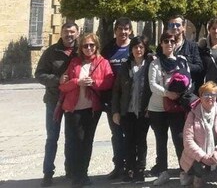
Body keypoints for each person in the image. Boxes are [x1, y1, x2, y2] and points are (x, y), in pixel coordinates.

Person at [59, 32, 115, 188]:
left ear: (96, 46)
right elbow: (63, 86)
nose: (89, 48)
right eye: (85, 45)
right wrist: (77, 81)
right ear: (81, 48)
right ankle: (76, 174)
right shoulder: (74, 63)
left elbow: (109, 81)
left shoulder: (102, 62)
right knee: (76, 141)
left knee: (87, 141)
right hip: (74, 108)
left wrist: (94, 82)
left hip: (92, 109)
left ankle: (83, 174)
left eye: (91, 45)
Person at [145, 30, 195, 186]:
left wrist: (179, 94)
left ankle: (183, 171)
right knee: (161, 140)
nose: (169, 44)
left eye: (172, 41)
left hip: (176, 107)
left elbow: (190, 81)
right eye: (165, 41)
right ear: (161, 44)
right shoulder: (155, 62)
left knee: (179, 139)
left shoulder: (182, 60)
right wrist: (167, 93)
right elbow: (152, 84)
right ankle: (162, 172)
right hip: (158, 107)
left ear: (175, 44)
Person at [35, 21, 79, 186]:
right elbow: (39, 74)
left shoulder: (80, 51)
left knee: (71, 137)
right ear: (61, 33)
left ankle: (70, 169)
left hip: (73, 100)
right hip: (54, 101)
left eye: (72, 32)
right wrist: (56, 80)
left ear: (77, 33)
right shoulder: (51, 52)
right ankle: (48, 173)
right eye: (66, 32)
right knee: (52, 137)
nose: (69, 35)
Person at [180, 81, 217, 188]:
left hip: (216, 148)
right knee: (195, 147)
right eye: (206, 94)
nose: (210, 97)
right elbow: (188, 141)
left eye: (213, 94)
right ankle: (198, 176)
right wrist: (203, 156)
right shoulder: (192, 114)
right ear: (200, 96)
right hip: (200, 150)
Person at [111, 36, 152, 183]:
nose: (138, 50)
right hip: (127, 110)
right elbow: (116, 90)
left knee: (141, 141)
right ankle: (129, 169)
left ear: (145, 48)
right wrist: (115, 111)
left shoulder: (150, 64)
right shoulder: (125, 65)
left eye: (141, 47)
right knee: (128, 141)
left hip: (143, 110)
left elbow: (153, 89)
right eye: (135, 47)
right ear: (131, 49)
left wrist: (151, 108)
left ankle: (140, 170)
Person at [101, 17, 133, 180]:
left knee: (132, 134)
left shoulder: (136, 47)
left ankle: (132, 166)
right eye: (120, 28)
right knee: (116, 134)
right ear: (115, 31)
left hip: (132, 99)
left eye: (126, 28)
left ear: (131, 31)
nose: (123, 32)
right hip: (113, 99)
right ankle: (119, 165)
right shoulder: (108, 49)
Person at [167, 14, 204, 85]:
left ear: (183, 27)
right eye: (172, 25)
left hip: (186, 90)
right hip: (168, 90)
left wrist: (183, 65)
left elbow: (199, 67)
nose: (174, 27)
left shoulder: (192, 46)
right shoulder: (163, 45)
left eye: (178, 25)